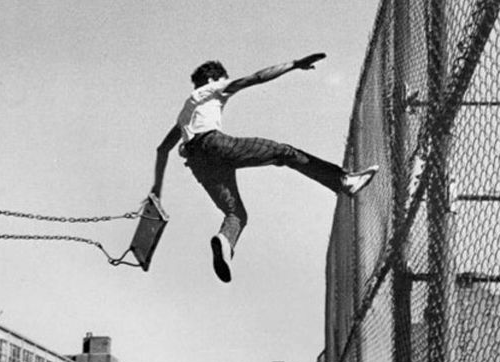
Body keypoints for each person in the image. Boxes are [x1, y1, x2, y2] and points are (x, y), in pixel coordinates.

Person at [150, 53, 378, 282]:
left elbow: (162, 149)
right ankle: (343, 181)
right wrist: (293, 65)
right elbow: (257, 77)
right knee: (284, 152)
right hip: (215, 145)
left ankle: (225, 241)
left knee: (236, 213)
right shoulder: (214, 88)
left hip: (199, 163)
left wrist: (156, 191)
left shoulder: (184, 114)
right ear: (213, 80)